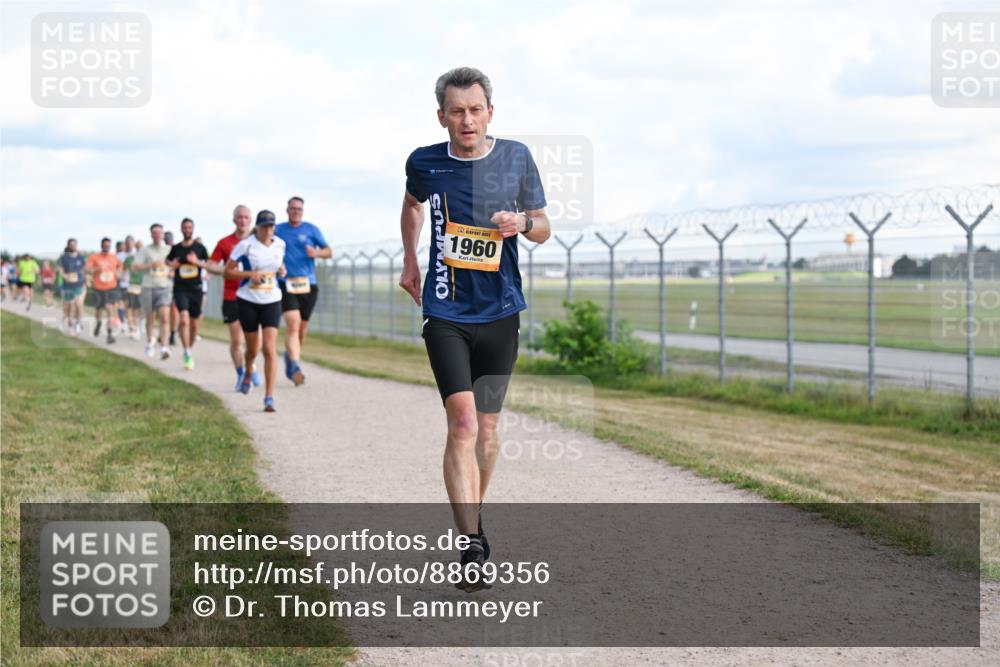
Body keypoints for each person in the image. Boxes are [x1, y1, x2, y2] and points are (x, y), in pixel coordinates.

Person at [398, 67, 551, 590]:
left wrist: (523, 225)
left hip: (500, 311)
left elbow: (544, 227)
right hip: (444, 310)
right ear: (442, 116)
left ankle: (473, 515)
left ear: (490, 112)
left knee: (487, 431)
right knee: (461, 424)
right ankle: (470, 544)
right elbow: (412, 205)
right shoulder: (424, 162)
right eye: (457, 111)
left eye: (476, 109)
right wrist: (409, 259)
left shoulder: (516, 157)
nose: (467, 119)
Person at [224, 210, 287, 412]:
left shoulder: (280, 244)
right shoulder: (245, 245)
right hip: (248, 300)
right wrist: (250, 274)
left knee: (269, 348)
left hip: (272, 299)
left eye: (271, 226)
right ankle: (248, 370)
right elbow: (228, 272)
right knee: (252, 349)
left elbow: (277, 262)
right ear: (257, 227)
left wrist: (281, 270)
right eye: (264, 226)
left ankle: (269, 397)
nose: (268, 230)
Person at [275, 196, 332, 385]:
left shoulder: (311, 229)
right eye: (292, 208)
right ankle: (296, 366)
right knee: (293, 324)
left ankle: (290, 358)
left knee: (301, 329)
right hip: (286, 283)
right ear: (287, 210)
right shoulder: (278, 230)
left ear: (303, 210)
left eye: (299, 209)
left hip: (308, 284)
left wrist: (315, 253)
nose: (295, 211)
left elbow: (328, 251)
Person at [208, 204, 262, 390]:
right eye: (239, 217)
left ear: (251, 220)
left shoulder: (259, 242)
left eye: (246, 217)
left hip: (256, 295)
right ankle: (241, 373)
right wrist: (227, 270)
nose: (243, 220)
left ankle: (250, 367)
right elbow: (210, 265)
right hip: (232, 295)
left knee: (254, 341)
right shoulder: (225, 243)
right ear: (234, 220)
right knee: (237, 340)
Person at [166, 218, 209, 370]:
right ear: (181, 229)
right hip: (180, 289)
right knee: (183, 320)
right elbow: (168, 262)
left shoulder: (200, 248)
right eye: (185, 227)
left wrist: (197, 262)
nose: (187, 230)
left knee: (195, 326)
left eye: (189, 227)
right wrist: (173, 265)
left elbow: (208, 264)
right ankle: (186, 352)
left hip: (196, 289)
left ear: (193, 229)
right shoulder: (176, 248)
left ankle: (189, 347)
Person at [134, 224, 174, 360]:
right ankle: (149, 343)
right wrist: (151, 265)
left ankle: (164, 347)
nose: (157, 235)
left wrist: (172, 271)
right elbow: (135, 266)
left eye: (160, 233)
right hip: (148, 287)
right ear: (151, 235)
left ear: (163, 235)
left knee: (164, 316)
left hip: (165, 287)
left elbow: (175, 264)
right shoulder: (145, 250)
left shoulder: (169, 250)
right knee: (150, 318)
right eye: (155, 233)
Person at [84, 238, 124, 344]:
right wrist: (96, 269)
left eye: (108, 246)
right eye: (105, 246)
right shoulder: (94, 257)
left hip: (111, 287)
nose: (106, 248)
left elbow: (120, 267)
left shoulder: (114, 257)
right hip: (98, 287)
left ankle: (110, 334)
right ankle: (98, 323)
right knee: (98, 311)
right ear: (101, 246)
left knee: (109, 308)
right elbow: (87, 269)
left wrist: (119, 273)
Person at [57, 239, 86, 333]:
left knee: (78, 304)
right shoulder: (63, 258)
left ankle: (77, 323)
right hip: (67, 285)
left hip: (79, 284)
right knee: (68, 306)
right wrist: (66, 277)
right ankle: (66, 321)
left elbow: (84, 270)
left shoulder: (81, 258)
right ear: (68, 246)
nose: (73, 246)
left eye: (75, 244)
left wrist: (85, 280)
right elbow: (60, 271)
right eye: (71, 245)